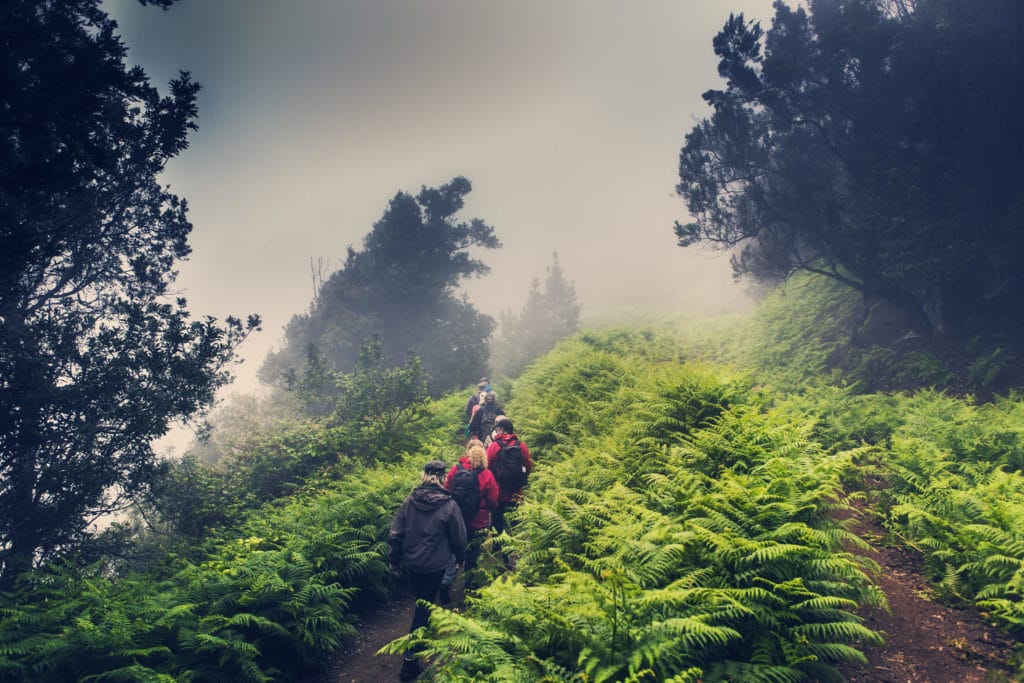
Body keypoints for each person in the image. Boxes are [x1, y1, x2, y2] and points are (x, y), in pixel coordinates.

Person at [389, 460, 468, 681]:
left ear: (423, 475)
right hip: (436, 565)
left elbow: (396, 533)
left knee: (421, 603)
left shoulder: (409, 502)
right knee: (423, 609)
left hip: (412, 564)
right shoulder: (449, 505)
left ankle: (415, 654)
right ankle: (410, 661)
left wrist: (394, 561)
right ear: (442, 478)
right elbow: (459, 537)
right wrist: (460, 559)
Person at [440, 441, 499, 602]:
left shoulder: (456, 469)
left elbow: (446, 489)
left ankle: (446, 581)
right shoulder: (486, 474)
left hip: (456, 519)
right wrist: (485, 508)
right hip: (477, 522)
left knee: (452, 552)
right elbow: (493, 500)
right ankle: (469, 586)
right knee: (473, 554)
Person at [486, 417, 533, 537]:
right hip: (516, 492)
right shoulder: (521, 445)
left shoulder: (494, 446)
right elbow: (528, 465)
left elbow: (487, 468)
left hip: (498, 492)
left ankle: (498, 546)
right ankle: (513, 545)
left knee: (497, 521)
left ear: (501, 430)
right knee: (514, 521)